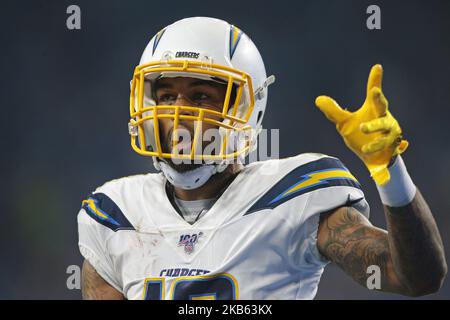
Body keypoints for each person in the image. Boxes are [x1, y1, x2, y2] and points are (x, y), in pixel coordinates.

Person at [77, 17, 446, 300]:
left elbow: (416, 277)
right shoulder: (115, 215)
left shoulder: (293, 195)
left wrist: (389, 169)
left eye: (201, 96)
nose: (179, 112)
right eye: (167, 94)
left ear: (247, 108)